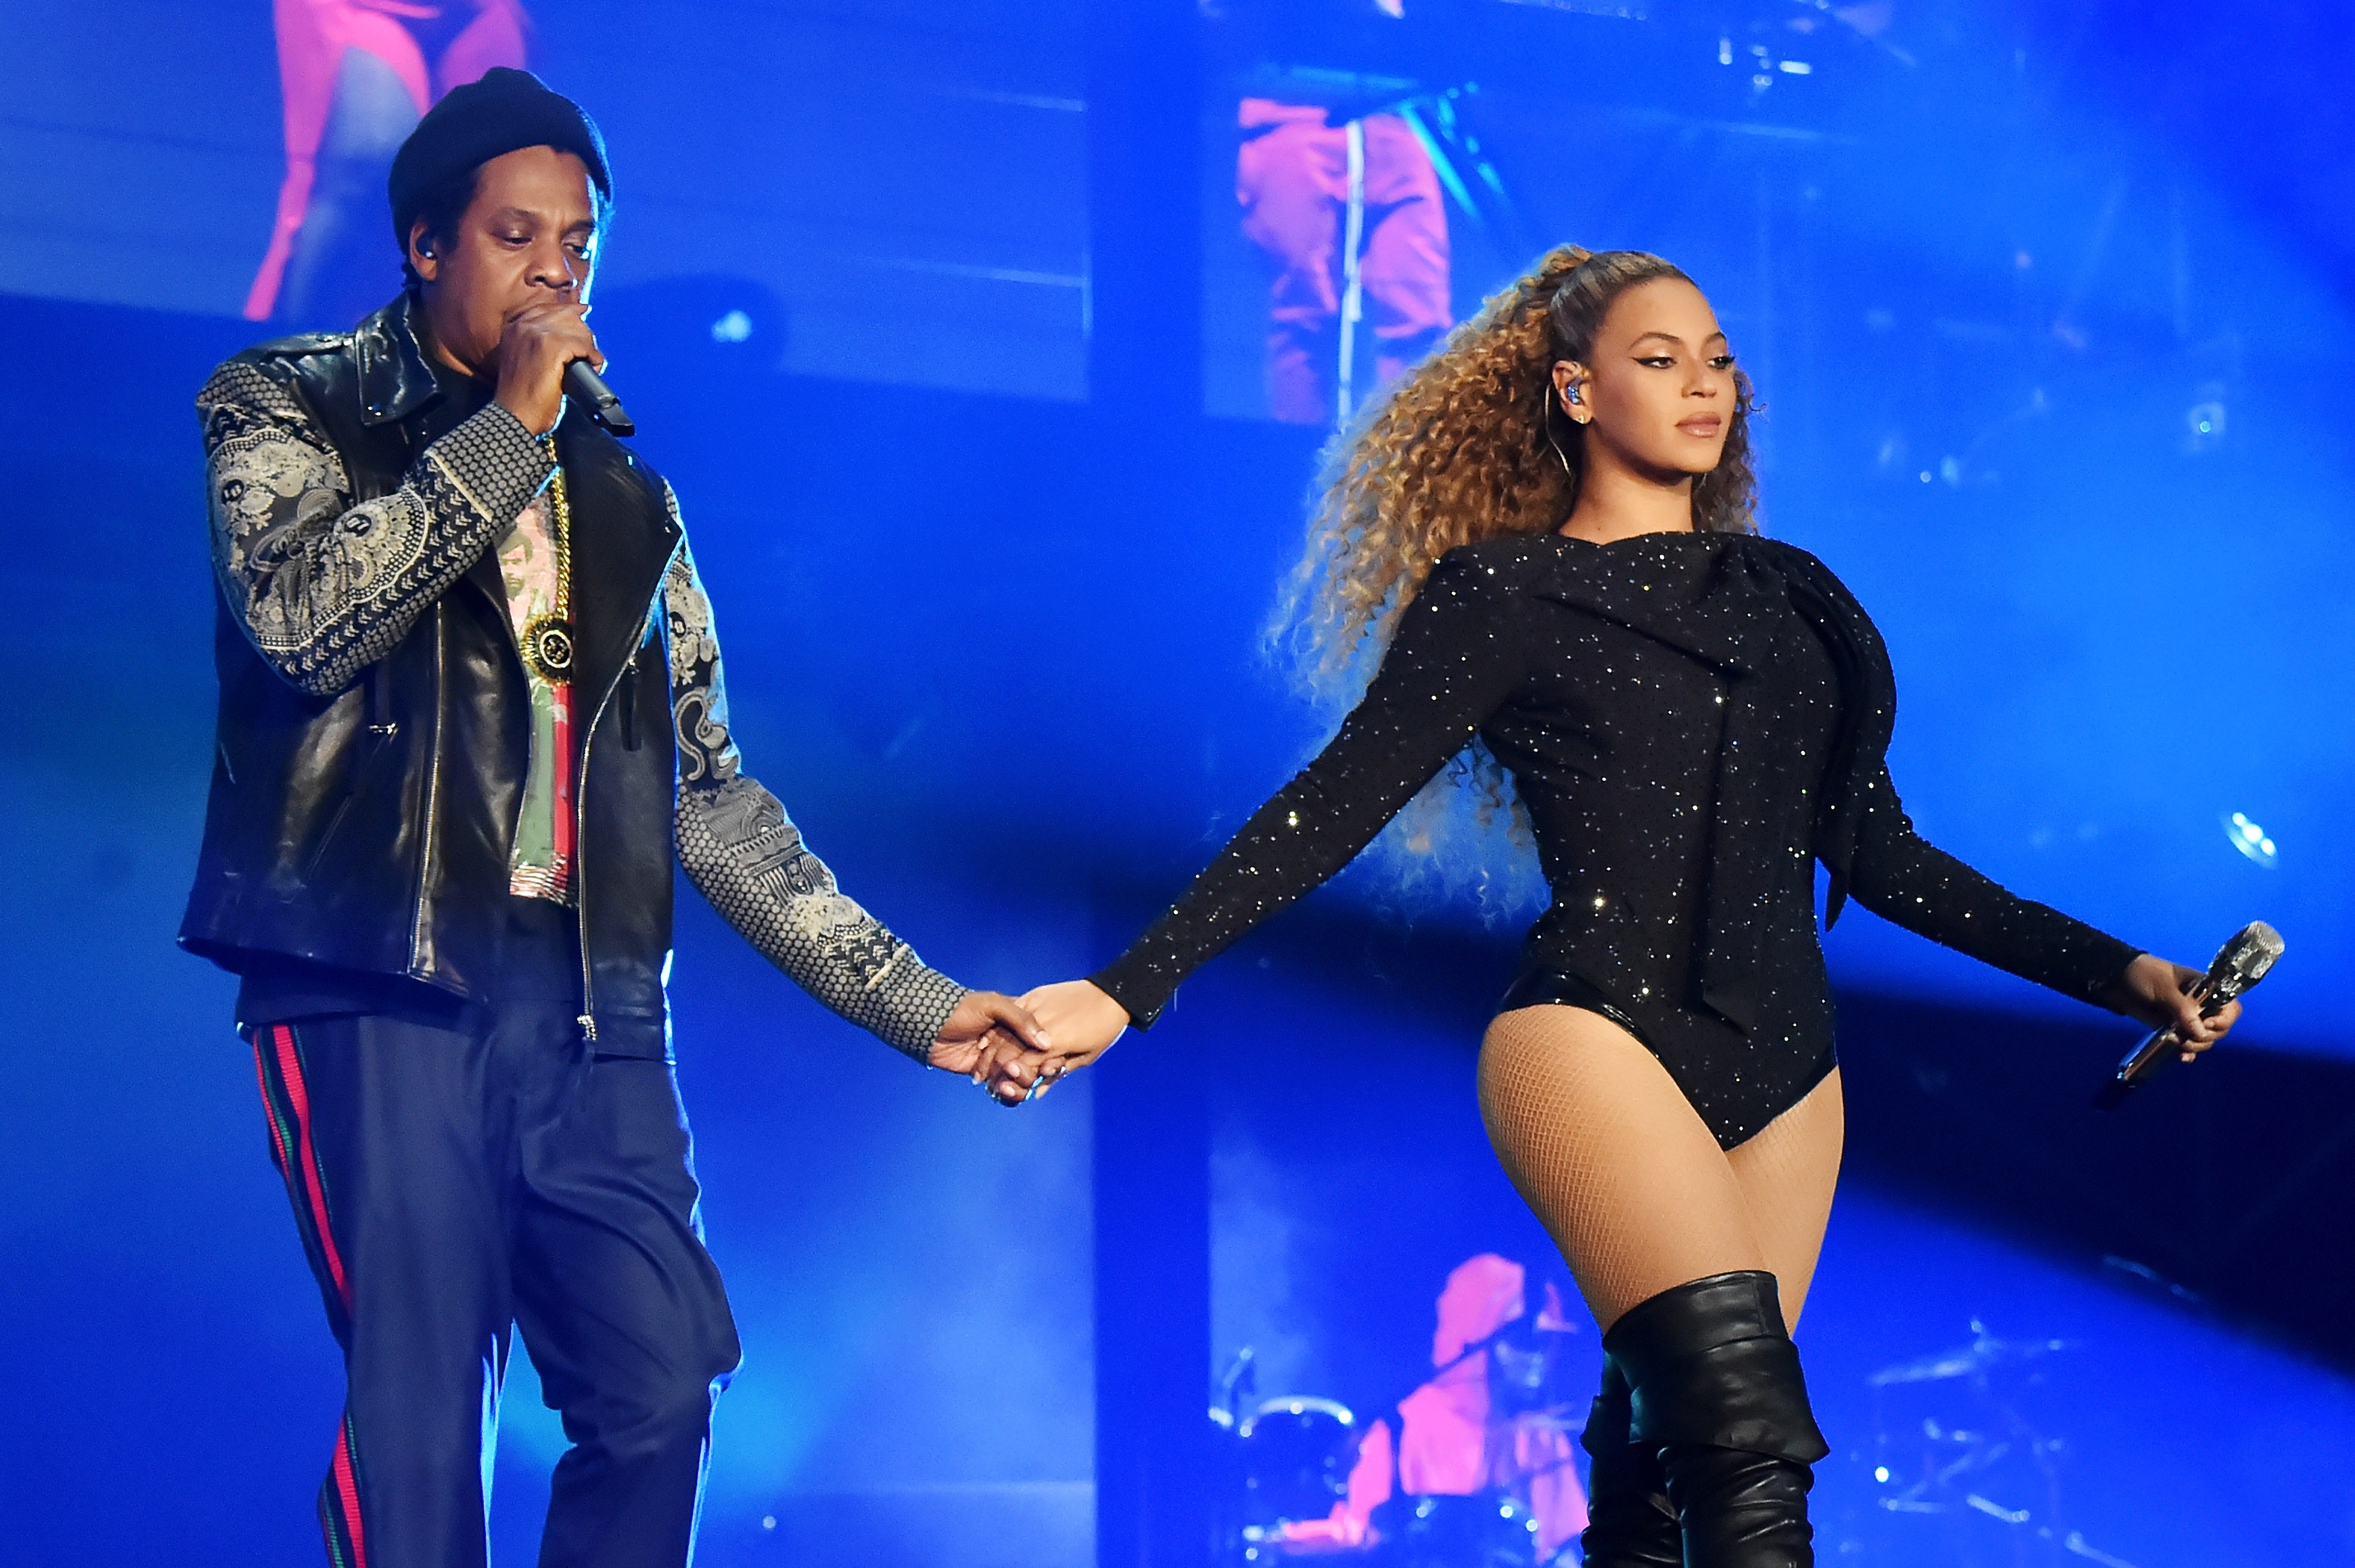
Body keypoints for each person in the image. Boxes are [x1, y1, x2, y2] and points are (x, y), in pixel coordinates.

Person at [1020, 247, 2239, 1566]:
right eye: (1659, 360)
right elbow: (1331, 807)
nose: (1704, 384)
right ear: (1576, 391)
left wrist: (2122, 974)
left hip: (1787, 1067)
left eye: (1718, 359)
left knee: (1662, 1476)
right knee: (1744, 1441)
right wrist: (1127, 985)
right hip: (1595, 1031)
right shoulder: (1503, 595)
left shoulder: (1798, 601)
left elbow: (1882, 858)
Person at [184, 68, 1055, 1568]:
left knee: (659, 1381)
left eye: (575, 246)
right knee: (420, 1416)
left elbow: (706, 792)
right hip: (377, 975)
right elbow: (305, 622)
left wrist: (918, 1003)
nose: (551, 272)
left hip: (587, 1003)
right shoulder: (287, 403)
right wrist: (508, 431)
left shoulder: (629, 501)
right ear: (423, 245)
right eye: (516, 235)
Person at [246, 0, 535, 327]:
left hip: (478, 13)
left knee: (480, 194)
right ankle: (295, 359)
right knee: (366, 164)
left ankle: (419, 360)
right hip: (362, 8)